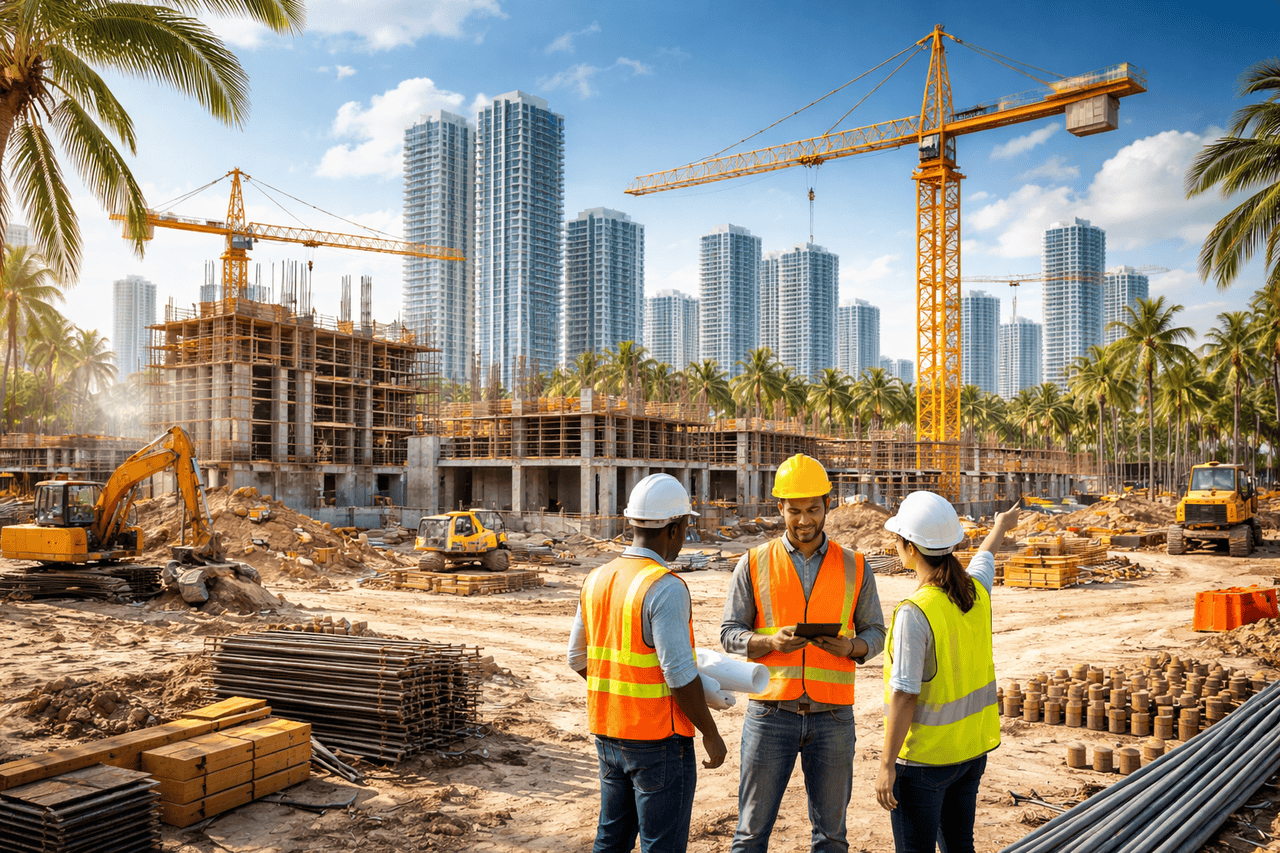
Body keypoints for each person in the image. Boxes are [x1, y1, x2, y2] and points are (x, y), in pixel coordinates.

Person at [720, 454, 886, 853]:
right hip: (770, 715)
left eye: (813, 509)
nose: (805, 520)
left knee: (831, 838)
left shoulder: (856, 566)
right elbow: (729, 634)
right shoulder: (753, 562)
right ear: (780, 508)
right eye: (795, 510)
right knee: (750, 834)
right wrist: (768, 643)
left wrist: (852, 647)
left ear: (828, 505)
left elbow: (877, 632)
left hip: (833, 718)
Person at [568, 473, 727, 853]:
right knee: (662, 845)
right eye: (685, 527)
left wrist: (621, 696)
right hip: (659, 742)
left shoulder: (596, 578)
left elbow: (577, 657)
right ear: (675, 529)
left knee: (611, 839)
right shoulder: (665, 586)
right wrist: (710, 732)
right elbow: (679, 675)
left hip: (609, 735)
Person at [876, 493, 1020, 853]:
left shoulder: (916, 611)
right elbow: (985, 557)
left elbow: (905, 693)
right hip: (971, 754)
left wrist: (886, 765)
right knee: (960, 847)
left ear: (909, 547)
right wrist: (1000, 525)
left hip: (926, 762)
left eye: (898, 540)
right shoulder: (974, 591)